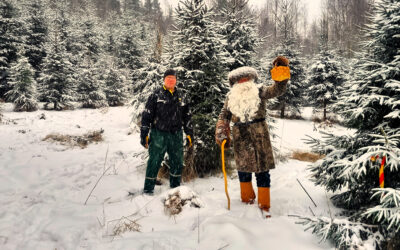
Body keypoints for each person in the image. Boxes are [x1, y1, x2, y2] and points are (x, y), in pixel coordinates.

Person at [215, 57, 290, 217]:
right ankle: (247, 199)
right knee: (243, 170)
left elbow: (277, 90)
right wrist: (222, 130)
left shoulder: (260, 91)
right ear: (234, 83)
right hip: (240, 136)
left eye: (246, 78)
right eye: (239, 80)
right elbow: (224, 115)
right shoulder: (230, 97)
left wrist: (281, 72)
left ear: (251, 79)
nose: (243, 81)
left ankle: (264, 204)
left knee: (262, 170)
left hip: (259, 135)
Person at [140, 69, 193, 194]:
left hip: (176, 134)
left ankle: (175, 189)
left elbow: (187, 116)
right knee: (154, 161)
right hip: (159, 134)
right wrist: (144, 134)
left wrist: (190, 133)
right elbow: (147, 116)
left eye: (173, 78)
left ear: (176, 80)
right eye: (168, 78)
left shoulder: (181, 96)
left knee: (177, 161)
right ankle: (148, 190)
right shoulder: (156, 95)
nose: (170, 80)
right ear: (164, 80)